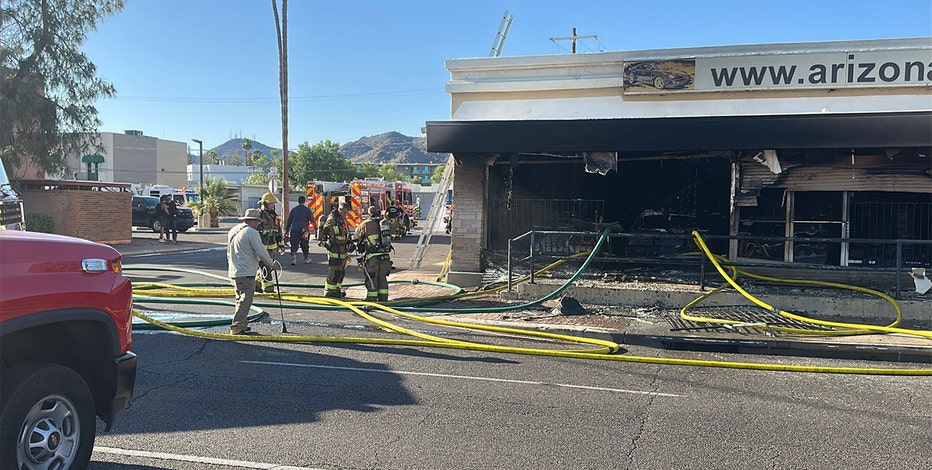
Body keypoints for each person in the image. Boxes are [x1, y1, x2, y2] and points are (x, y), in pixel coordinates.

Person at [227, 208, 277, 335]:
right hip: (246, 272)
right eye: (258, 222)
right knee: (245, 300)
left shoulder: (233, 231)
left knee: (239, 299)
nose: (259, 224)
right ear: (253, 221)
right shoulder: (251, 233)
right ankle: (237, 326)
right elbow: (261, 251)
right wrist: (271, 264)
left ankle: (242, 324)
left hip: (234, 271)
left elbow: (228, 253)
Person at [354, 205, 392, 302]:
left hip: (373, 257)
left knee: (372, 278)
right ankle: (383, 299)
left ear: (369, 213)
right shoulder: (385, 223)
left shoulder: (366, 224)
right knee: (382, 278)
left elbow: (357, 234)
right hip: (385, 257)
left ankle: (371, 299)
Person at [319, 201, 352, 298]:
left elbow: (346, 232)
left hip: (342, 250)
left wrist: (350, 242)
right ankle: (329, 291)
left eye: (347, 213)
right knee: (334, 270)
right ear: (340, 209)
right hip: (334, 249)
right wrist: (337, 230)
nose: (346, 215)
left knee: (341, 271)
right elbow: (326, 231)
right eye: (345, 212)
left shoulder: (342, 219)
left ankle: (336, 290)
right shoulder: (332, 218)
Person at [256, 192, 285, 293]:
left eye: (273, 204)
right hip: (262, 247)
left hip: (271, 248)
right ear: (264, 204)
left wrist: (281, 245)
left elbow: (278, 231)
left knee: (266, 267)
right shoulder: (259, 215)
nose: (273, 206)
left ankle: (256, 285)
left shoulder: (273, 216)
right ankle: (269, 289)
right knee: (266, 268)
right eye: (271, 203)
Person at [285, 195, 314, 265]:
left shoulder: (294, 210)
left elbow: (289, 221)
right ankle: (306, 258)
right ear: (304, 201)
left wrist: (287, 230)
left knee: (294, 244)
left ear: (298, 201)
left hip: (294, 229)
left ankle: (293, 259)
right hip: (304, 231)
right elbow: (312, 220)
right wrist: (316, 229)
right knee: (305, 244)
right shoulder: (307, 210)